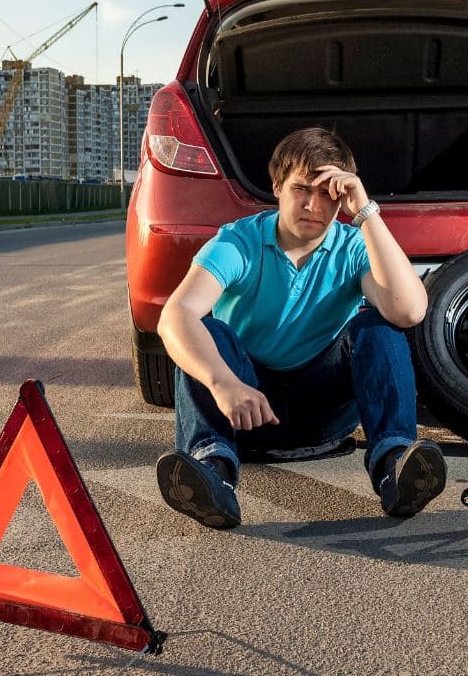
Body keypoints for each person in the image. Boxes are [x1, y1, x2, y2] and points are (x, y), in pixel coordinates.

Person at [155, 127, 446, 529]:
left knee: (377, 325)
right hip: (247, 410)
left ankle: (393, 467)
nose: (313, 205)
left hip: (324, 413)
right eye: (301, 189)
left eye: (328, 194)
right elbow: (175, 315)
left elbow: (409, 312)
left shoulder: (354, 245)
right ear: (277, 186)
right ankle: (215, 475)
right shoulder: (239, 241)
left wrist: (365, 212)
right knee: (207, 330)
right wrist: (224, 382)